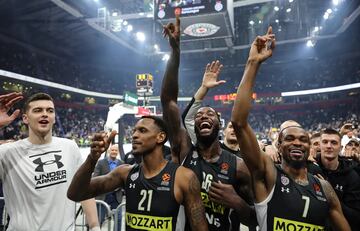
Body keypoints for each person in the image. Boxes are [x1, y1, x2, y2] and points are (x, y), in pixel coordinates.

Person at [230, 27, 351, 230]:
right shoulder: (266, 174)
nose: (297, 142)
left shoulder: (324, 188)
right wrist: (253, 63)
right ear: (279, 145)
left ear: (310, 146)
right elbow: (239, 123)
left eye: (303, 139)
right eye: (289, 138)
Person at [160, 16, 256, 230]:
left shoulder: (239, 167)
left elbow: (257, 219)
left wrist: (238, 203)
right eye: (200, 115)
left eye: (210, 115)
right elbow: (169, 102)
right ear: (193, 126)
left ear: (219, 124)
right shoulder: (184, 151)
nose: (204, 116)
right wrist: (175, 53)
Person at [67, 115, 208, 231]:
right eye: (134, 131)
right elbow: (75, 193)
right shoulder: (125, 173)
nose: (134, 135)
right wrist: (92, 158)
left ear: (160, 137)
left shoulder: (183, 177)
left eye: (142, 130)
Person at [0, 92, 100, 231]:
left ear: (54, 118)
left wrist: (95, 226)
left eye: (50, 110)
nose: (45, 114)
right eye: (38, 110)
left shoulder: (69, 147)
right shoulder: (7, 152)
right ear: (25, 118)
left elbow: (83, 188)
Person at [318, 128, 360, 229]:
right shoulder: (309, 167)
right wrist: (271, 146)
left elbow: (356, 217)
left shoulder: (351, 176)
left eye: (333, 142)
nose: (329, 146)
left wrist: (331, 195)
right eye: (325, 142)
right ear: (319, 145)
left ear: (340, 147)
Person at [93, 144, 124, 229]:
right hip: (103, 196)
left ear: (118, 152)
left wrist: (120, 187)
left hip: (116, 197)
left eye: (116, 150)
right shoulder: (101, 163)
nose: (114, 152)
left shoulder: (122, 164)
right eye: (112, 150)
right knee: (99, 219)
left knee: (118, 219)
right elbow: (95, 177)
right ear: (109, 151)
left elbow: (124, 180)